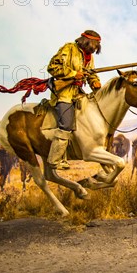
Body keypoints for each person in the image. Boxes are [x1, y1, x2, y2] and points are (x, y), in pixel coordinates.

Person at [46, 30, 102, 170]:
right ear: (87, 41)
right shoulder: (69, 48)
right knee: (66, 124)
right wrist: (73, 74)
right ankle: (55, 159)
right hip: (64, 94)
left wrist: (95, 82)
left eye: (97, 46)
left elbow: (90, 74)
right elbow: (52, 67)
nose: (95, 48)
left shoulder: (89, 57)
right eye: (95, 45)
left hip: (78, 94)